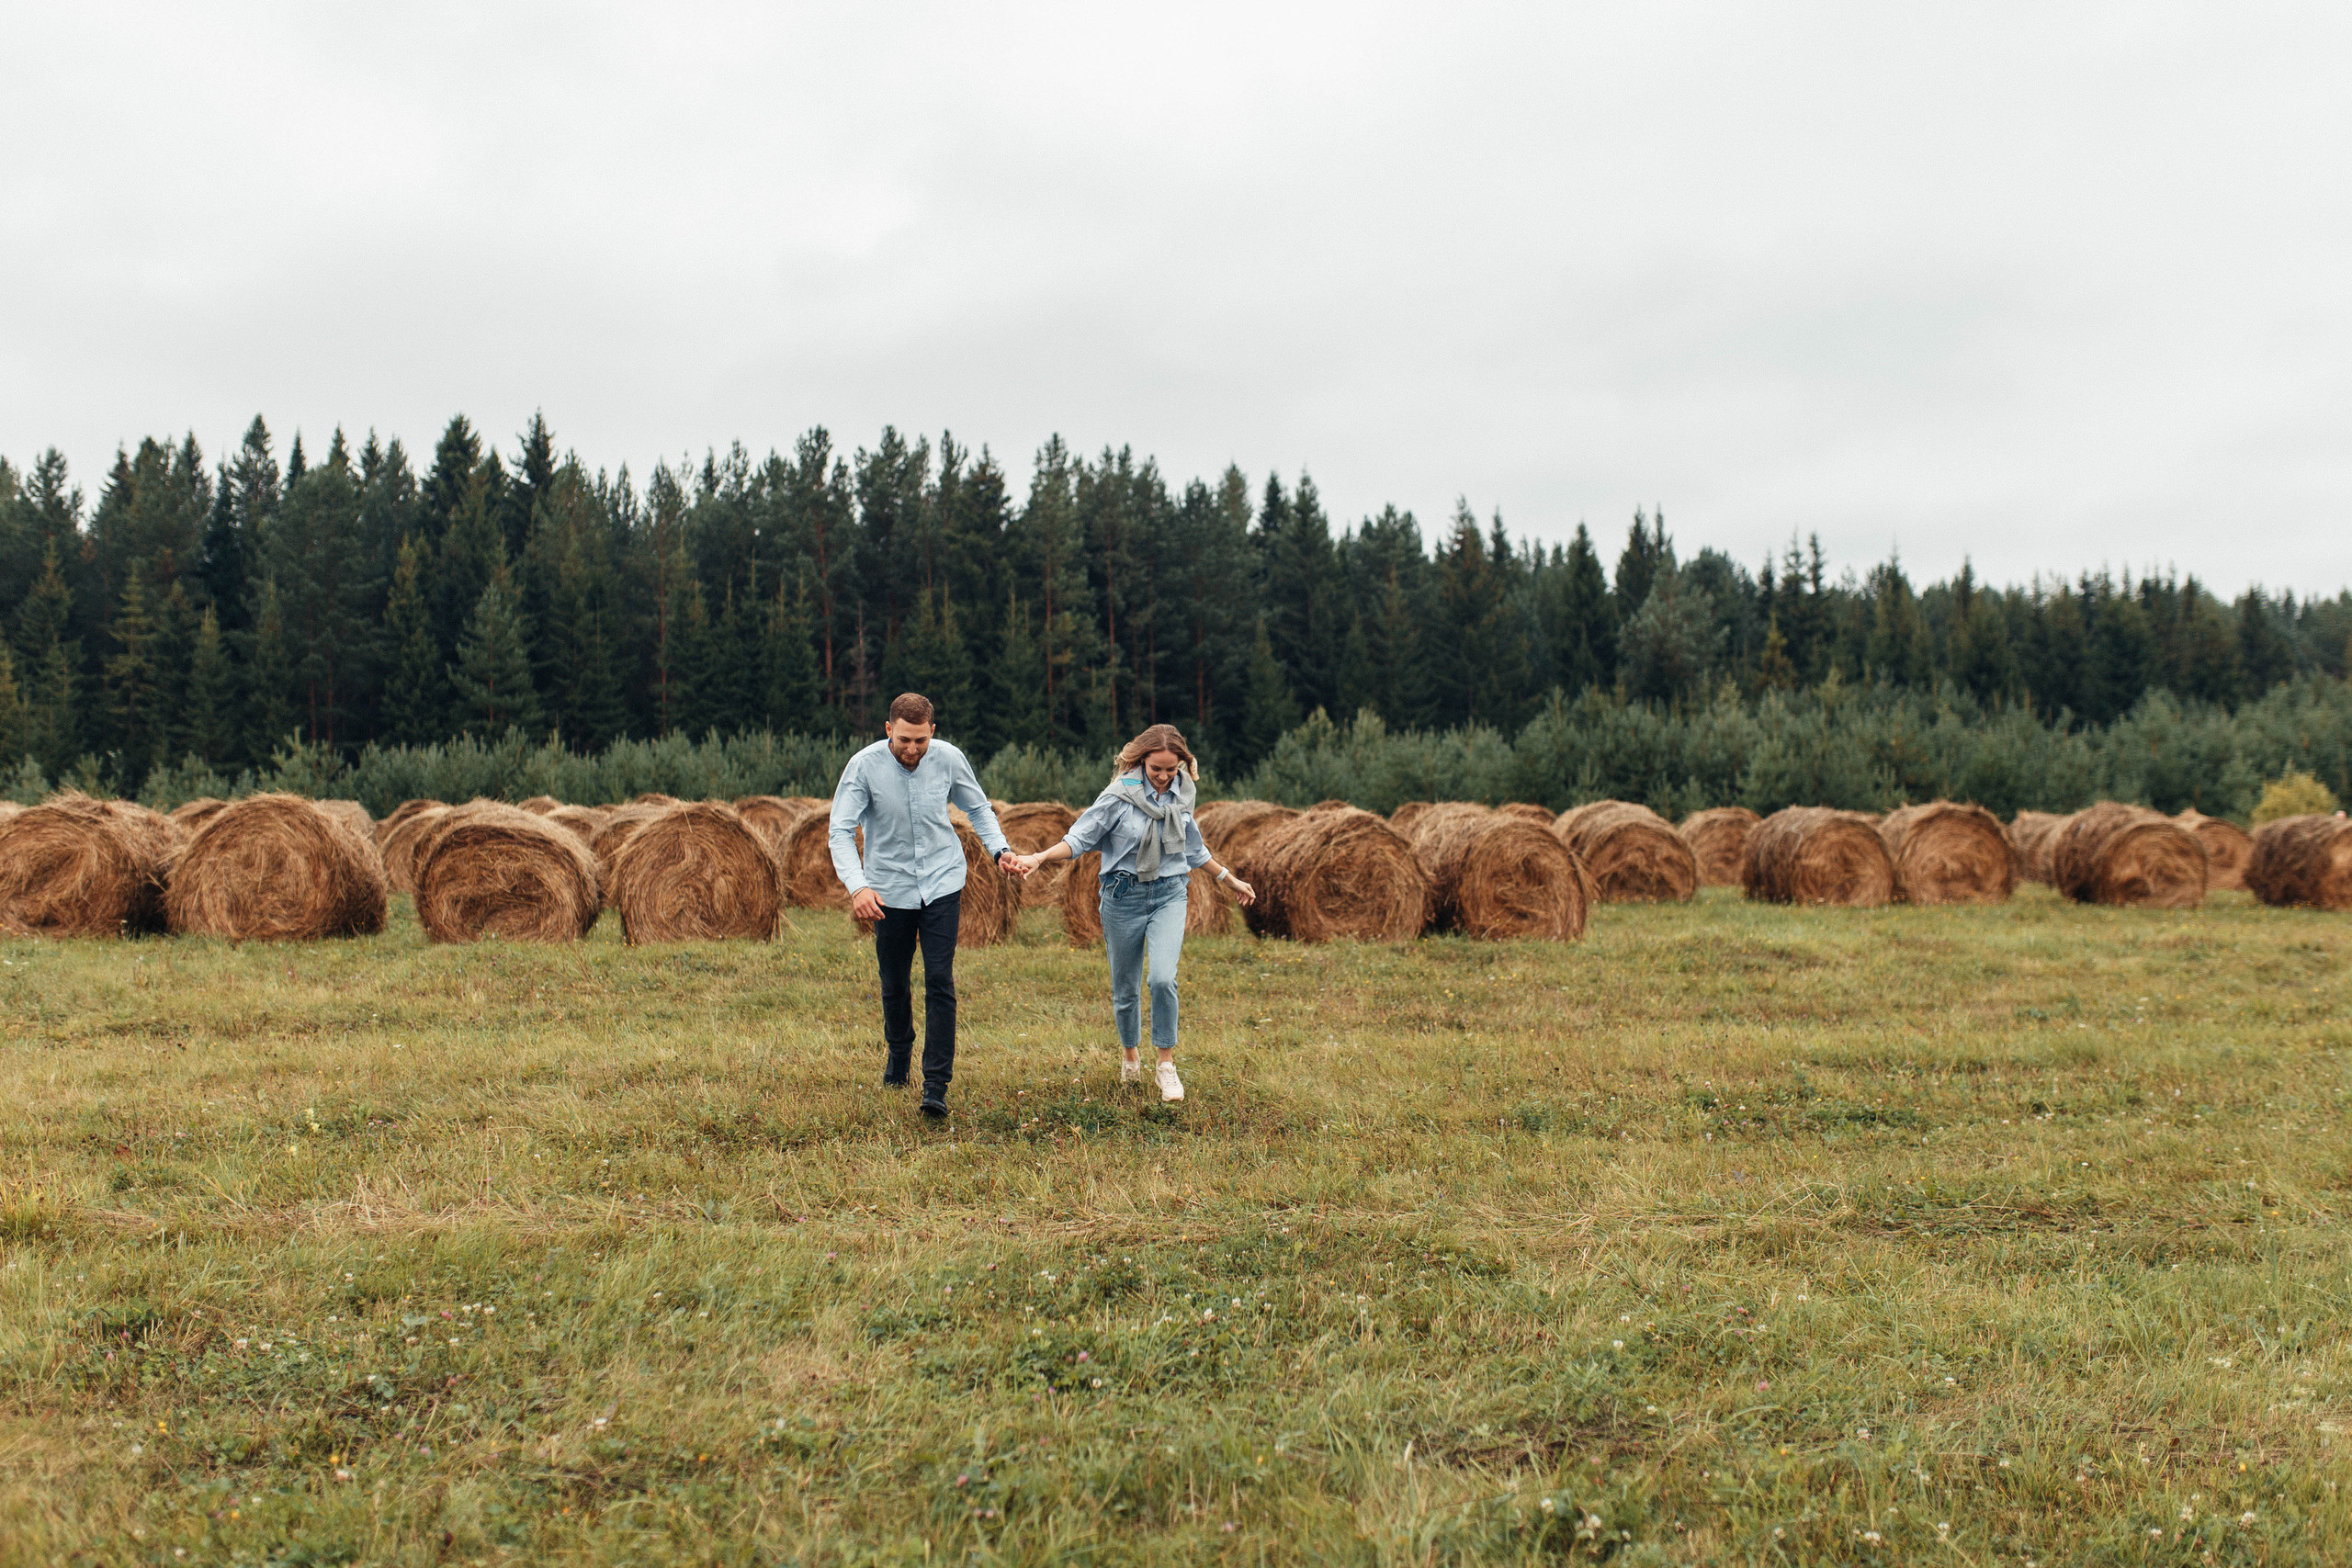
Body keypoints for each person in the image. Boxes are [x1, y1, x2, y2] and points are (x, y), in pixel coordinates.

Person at [1009, 723, 1253, 1101]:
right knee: (1125, 989)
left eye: (1171, 769)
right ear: (1140, 762)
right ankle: (1129, 1055)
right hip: (1123, 897)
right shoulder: (1117, 798)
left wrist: (1230, 879)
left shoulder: (1182, 794)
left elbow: (1193, 849)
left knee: (1162, 979)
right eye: (1156, 769)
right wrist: (1039, 857)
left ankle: (1166, 1065)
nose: (1163, 776)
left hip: (1171, 893)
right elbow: (1078, 839)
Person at [829, 692, 1019, 1119]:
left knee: (940, 980)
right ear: (888, 730)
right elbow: (840, 830)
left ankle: (936, 1085)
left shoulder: (949, 758)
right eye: (903, 741)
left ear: (932, 732)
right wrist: (858, 887)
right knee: (894, 983)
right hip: (888, 889)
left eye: (920, 741)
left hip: (942, 881)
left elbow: (979, 808)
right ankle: (899, 1056)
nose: (912, 750)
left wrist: (999, 850)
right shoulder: (864, 766)